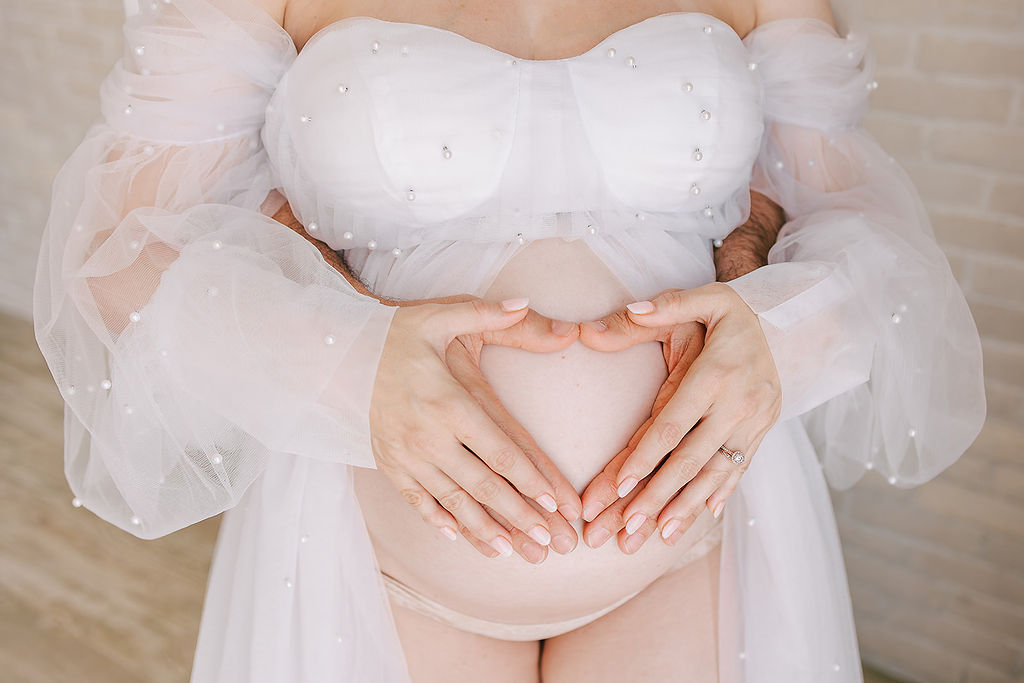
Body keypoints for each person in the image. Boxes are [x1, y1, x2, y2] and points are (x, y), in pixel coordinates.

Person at [33, 0, 986, 681]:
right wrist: (348, 367)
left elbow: (866, 224)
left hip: (694, 540)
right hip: (379, 551)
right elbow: (116, 252)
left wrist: (781, 338)